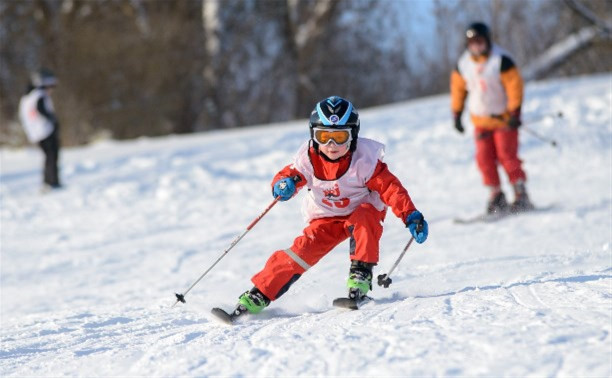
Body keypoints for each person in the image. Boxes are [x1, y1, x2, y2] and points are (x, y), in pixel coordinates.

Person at [230, 96, 429, 316]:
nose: (331, 145)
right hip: (325, 218)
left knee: (365, 216)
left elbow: (391, 189)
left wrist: (411, 215)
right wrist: (282, 185)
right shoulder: (309, 159)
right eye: (323, 136)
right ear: (313, 136)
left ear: (352, 136)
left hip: (360, 212)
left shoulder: (365, 161)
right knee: (300, 251)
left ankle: (360, 276)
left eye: (339, 137)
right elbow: (290, 175)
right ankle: (259, 294)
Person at [450, 22, 534, 214]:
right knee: (484, 159)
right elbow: (458, 90)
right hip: (481, 122)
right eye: (472, 43)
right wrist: (457, 114)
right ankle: (496, 196)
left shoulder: (501, 60)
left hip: (504, 120)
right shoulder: (463, 64)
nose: (476, 47)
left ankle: (520, 193)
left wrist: (515, 112)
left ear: (487, 41)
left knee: (507, 156)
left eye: (480, 42)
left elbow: (515, 86)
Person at [18, 68, 62, 191]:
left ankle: (48, 181)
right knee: (52, 156)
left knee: (48, 156)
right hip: (44, 130)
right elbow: (41, 109)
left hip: (36, 132)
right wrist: (53, 120)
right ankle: (52, 182)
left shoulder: (27, 97)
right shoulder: (39, 95)